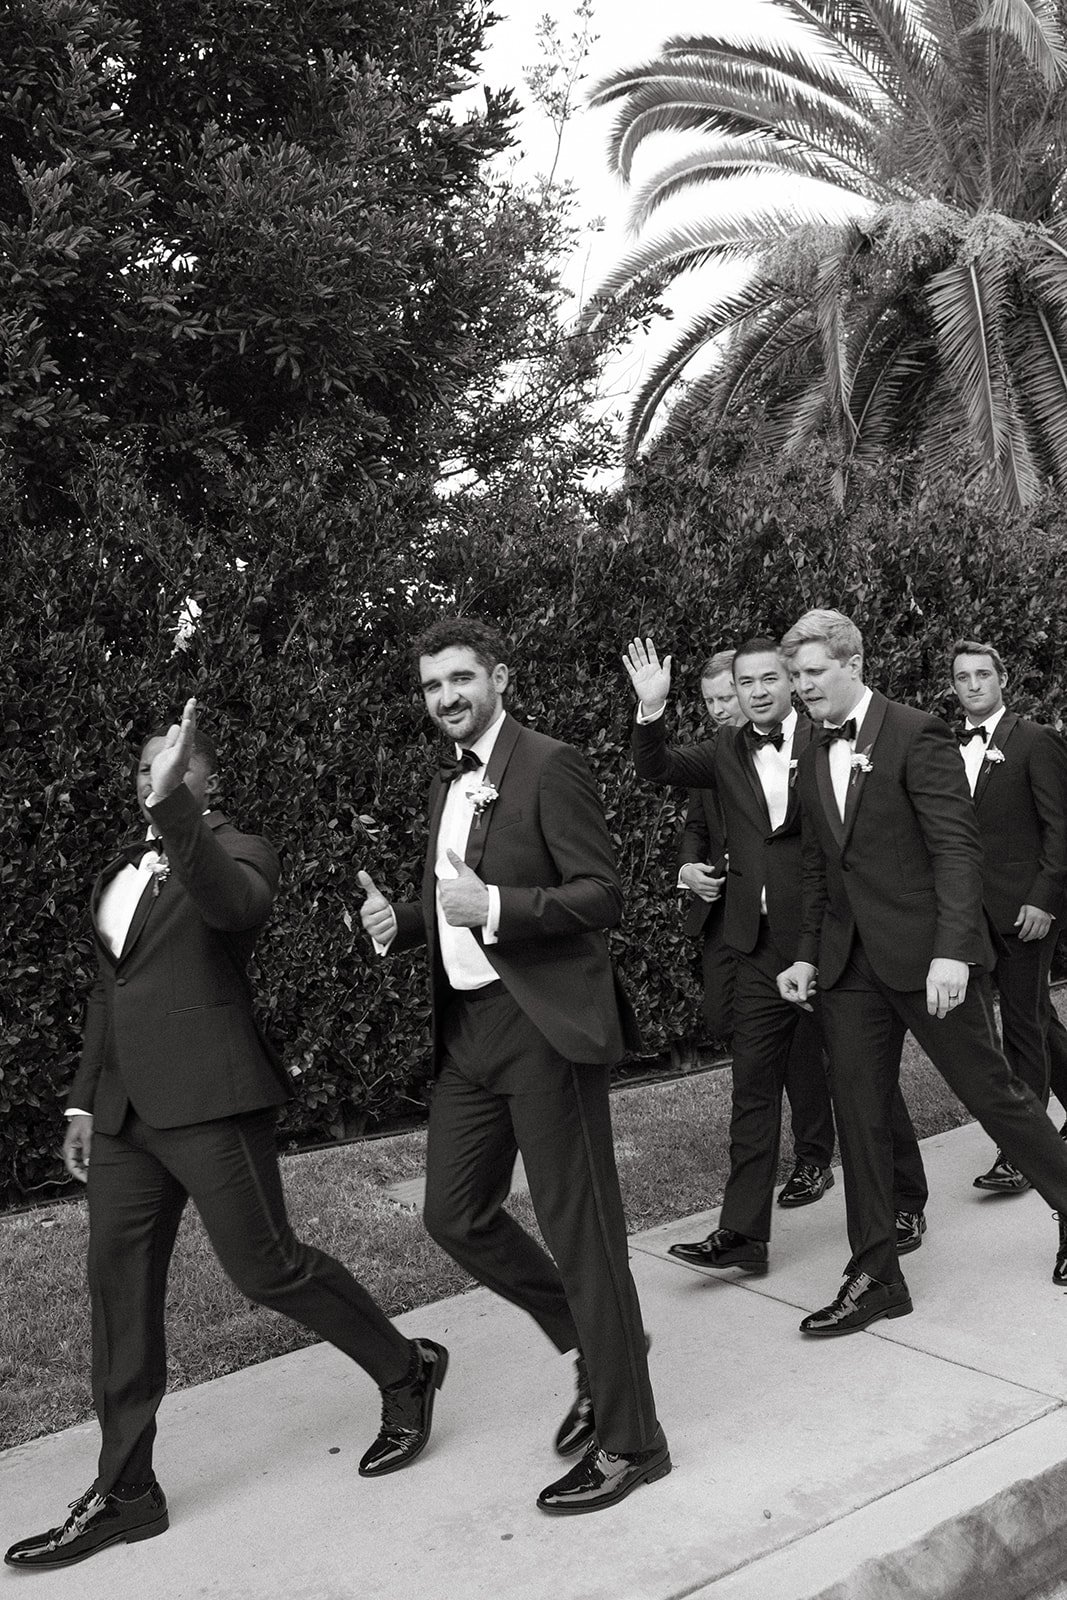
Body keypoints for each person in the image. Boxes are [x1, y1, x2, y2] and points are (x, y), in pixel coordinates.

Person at [5, 702, 446, 1572]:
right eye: (141, 769)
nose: (150, 778)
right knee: (118, 1291)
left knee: (266, 1268)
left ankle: (404, 1368)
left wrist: (175, 818)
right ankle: (127, 1491)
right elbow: (110, 992)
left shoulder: (238, 852)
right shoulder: (117, 871)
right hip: (126, 1116)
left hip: (212, 1101)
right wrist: (84, 1103)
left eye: (169, 765)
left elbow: (233, 904)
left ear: (208, 780)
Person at [359, 618, 669, 1516]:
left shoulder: (547, 762)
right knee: (453, 1214)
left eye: (460, 679)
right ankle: (595, 1341)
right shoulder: (444, 779)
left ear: (498, 676)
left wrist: (493, 901)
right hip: (467, 1034)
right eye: (431, 687)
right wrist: (407, 922)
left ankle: (631, 1441)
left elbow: (600, 893)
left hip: (545, 1027)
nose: (446, 697)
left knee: (582, 1231)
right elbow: (446, 895)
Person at [777, 610, 1067, 1338]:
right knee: (861, 1114)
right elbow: (818, 866)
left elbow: (954, 849)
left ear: (852, 662)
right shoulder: (810, 747)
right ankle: (875, 1273)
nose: (802, 687)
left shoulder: (913, 733)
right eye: (797, 676)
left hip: (923, 956)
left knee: (992, 1095)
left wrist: (952, 949)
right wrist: (808, 953)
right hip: (846, 968)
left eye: (813, 673)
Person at [626, 637, 896, 1274]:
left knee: (864, 1081)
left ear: (790, 681)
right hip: (752, 942)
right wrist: (650, 710)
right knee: (751, 1090)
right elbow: (657, 766)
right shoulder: (725, 747)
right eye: (744, 684)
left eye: (769, 679)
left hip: (831, 939)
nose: (756, 693)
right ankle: (744, 1235)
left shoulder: (829, 737)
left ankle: (905, 1201)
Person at [950, 639, 1067, 1192]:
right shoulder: (947, 745)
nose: (972, 685)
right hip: (970, 914)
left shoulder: (1036, 740)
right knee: (1031, 1017)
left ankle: (1021, 1153)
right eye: (962, 678)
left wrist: (1044, 898)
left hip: (1026, 912)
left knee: (1021, 1027)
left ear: (1001, 680)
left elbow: (1060, 829)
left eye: (981, 675)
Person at [676, 649, 745, 1042]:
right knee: (722, 1021)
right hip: (721, 913)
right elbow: (696, 828)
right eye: (709, 700)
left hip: (780, 913)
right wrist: (688, 870)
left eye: (726, 698)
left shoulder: (796, 749)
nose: (717, 710)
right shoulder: (710, 755)